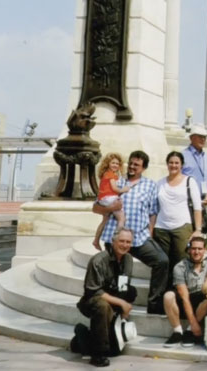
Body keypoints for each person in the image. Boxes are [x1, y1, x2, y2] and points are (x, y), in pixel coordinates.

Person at [92, 151, 168, 314]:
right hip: (116, 237)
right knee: (121, 274)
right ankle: (118, 303)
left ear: (144, 168)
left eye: (137, 165)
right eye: (131, 163)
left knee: (162, 261)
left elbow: (153, 211)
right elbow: (96, 207)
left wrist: (150, 231)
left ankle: (154, 302)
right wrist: (111, 208)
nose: (132, 167)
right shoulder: (115, 179)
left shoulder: (150, 185)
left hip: (139, 237)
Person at [76, 228, 137, 367]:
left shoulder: (128, 259)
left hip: (113, 296)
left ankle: (82, 338)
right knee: (102, 306)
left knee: (131, 291)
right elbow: (94, 291)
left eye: (128, 242)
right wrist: (121, 303)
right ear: (113, 241)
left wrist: (124, 311)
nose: (125, 245)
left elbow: (123, 285)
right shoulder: (98, 260)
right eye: (121, 241)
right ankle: (98, 354)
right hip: (92, 300)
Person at [154, 151, 204, 288]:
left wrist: (198, 230)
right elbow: (154, 208)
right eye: (171, 162)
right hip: (161, 228)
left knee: (180, 264)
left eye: (177, 163)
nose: (173, 165)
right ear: (167, 164)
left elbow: (197, 207)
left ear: (181, 165)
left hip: (182, 227)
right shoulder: (160, 183)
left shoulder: (189, 181)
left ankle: (180, 296)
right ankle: (162, 297)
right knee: (162, 264)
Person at [162, 236, 207, 348]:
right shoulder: (180, 267)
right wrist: (195, 323)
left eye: (200, 249)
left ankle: (189, 331)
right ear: (189, 250)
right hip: (185, 300)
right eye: (194, 249)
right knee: (168, 296)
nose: (196, 252)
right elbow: (184, 296)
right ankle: (177, 331)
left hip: (201, 302)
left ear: (205, 250)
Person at [92, 153, 130, 249]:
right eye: (113, 163)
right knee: (121, 218)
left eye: (117, 164)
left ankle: (96, 241)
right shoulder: (110, 175)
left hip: (103, 199)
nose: (115, 165)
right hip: (109, 198)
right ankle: (116, 240)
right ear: (108, 164)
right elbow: (115, 189)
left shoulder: (107, 174)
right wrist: (124, 189)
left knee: (104, 220)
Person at [181, 124, 207, 225]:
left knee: (201, 229)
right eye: (200, 136)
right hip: (188, 200)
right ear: (192, 138)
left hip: (203, 200)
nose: (203, 139)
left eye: (204, 137)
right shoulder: (183, 155)